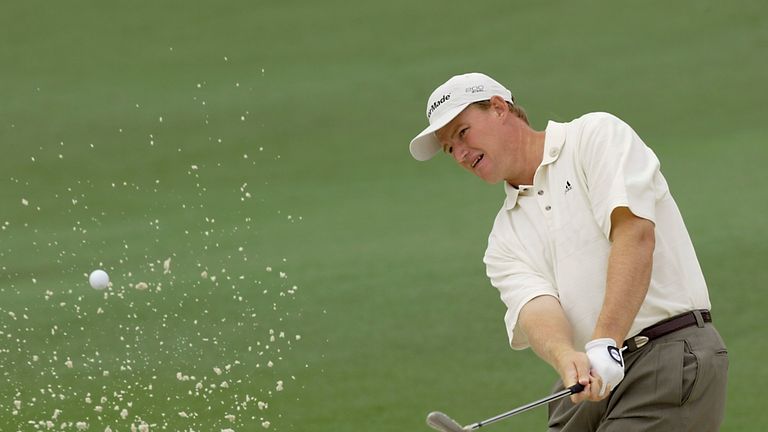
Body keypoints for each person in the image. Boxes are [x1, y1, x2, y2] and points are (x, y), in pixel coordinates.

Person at [409, 72, 728, 431]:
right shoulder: (503, 237)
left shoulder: (594, 136)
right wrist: (565, 357)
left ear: (499, 108)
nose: (461, 154)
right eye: (450, 149)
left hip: (666, 352)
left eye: (463, 133)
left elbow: (634, 234)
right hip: (587, 381)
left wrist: (606, 338)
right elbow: (535, 306)